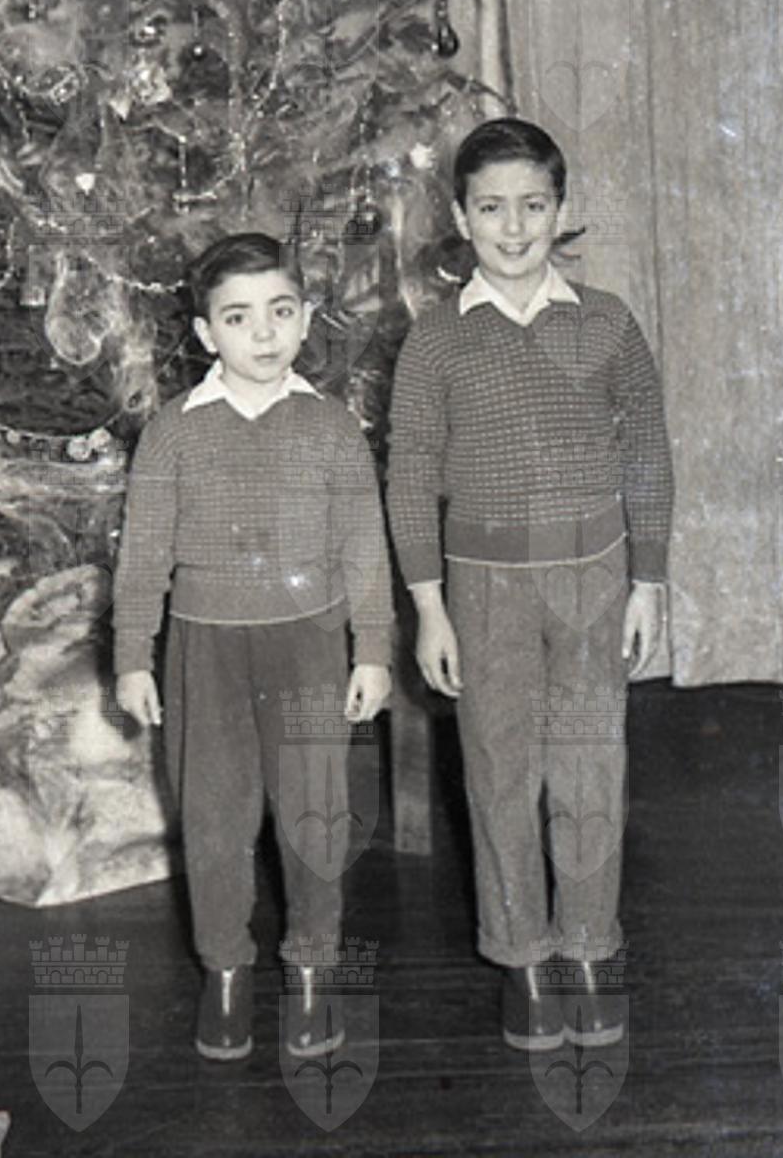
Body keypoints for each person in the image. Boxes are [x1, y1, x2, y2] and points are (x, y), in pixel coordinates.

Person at [386, 117, 673, 1052]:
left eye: (533, 206)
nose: (513, 228)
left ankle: (587, 945)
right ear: (460, 216)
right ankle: (523, 957)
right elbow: (409, 474)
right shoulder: (435, 341)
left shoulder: (607, 321)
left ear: (561, 210)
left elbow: (647, 453)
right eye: (492, 208)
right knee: (500, 769)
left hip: (593, 579)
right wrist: (429, 607)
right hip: (483, 588)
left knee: (590, 765)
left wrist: (648, 581)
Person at [114, 232, 393, 1063]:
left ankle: (311, 970)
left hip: (309, 644)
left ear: (305, 318)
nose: (263, 333)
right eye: (238, 318)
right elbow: (143, 555)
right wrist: (132, 656)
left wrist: (372, 648)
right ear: (207, 334)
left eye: (279, 311)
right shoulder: (172, 433)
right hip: (205, 651)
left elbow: (364, 547)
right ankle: (226, 972)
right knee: (213, 820)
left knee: (313, 816)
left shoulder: (332, 428)